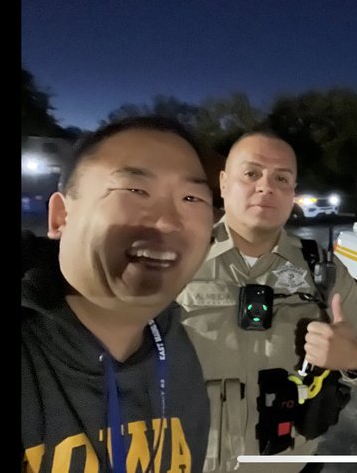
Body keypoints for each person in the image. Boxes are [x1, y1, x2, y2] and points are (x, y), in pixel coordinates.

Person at [177, 131, 357, 472]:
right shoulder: (175, 259)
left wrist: (355, 358)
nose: (266, 187)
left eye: (282, 178)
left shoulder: (321, 269)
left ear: (292, 193)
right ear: (223, 183)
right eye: (251, 174)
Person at [22, 116, 216, 473]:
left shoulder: (176, 344)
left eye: (192, 198)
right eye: (135, 190)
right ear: (61, 216)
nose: (169, 221)